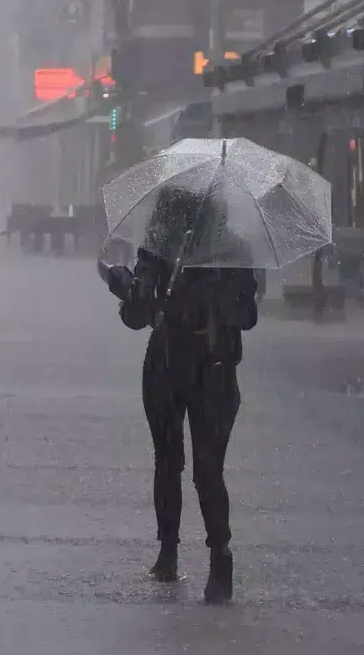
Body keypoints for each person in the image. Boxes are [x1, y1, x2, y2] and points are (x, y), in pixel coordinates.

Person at [104, 187, 260, 604]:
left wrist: (122, 285)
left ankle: (173, 554)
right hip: (212, 368)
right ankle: (215, 556)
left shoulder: (162, 245)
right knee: (206, 468)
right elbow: (248, 317)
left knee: (170, 461)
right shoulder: (234, 250)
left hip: (173, 363)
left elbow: (138, 314)